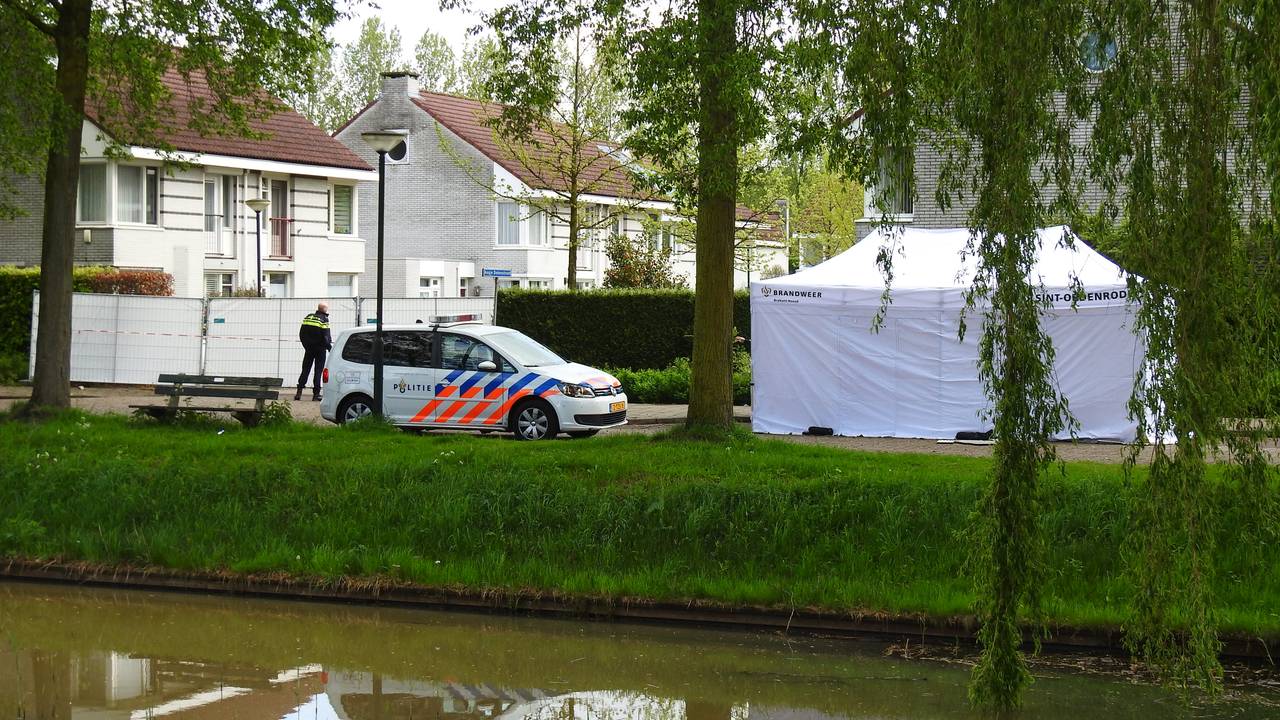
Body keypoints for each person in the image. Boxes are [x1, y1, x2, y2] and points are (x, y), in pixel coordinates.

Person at [296, 303, 331, 401]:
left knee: (305, 369)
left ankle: (299, 392)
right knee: (318, 371)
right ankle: (316, 394)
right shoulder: (324, 319)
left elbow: (301, 333)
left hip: (309, 349)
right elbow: (326, 336)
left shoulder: (308, 317)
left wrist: (306, 346)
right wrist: (329, 348)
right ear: (324, 309)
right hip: (320, 349)